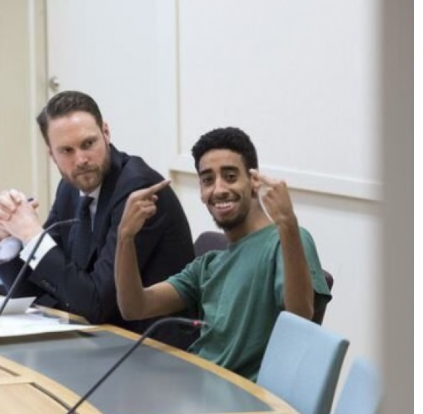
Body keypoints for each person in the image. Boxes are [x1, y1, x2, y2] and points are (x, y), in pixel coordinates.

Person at [115, 127, 332, 380]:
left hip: (241, 395)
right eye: (208, 180)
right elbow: (135, 307)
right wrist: (125, 237)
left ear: (254, 181)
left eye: (230, 176)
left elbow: (301, 318)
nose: (218, 190)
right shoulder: (208, 264)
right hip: (196, 382)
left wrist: (288, 225)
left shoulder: (286, 239)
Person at [0, 91, 196, 348]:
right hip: (96, 340)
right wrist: (8, 236)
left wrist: (31, 234)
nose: (81, 160)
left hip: (150, 347)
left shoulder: (137, 190)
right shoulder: (70, 187)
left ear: (106, 133)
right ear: (52, 155)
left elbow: (96, 304)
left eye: (88, 144)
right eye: (67, 150)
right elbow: (36, 290)